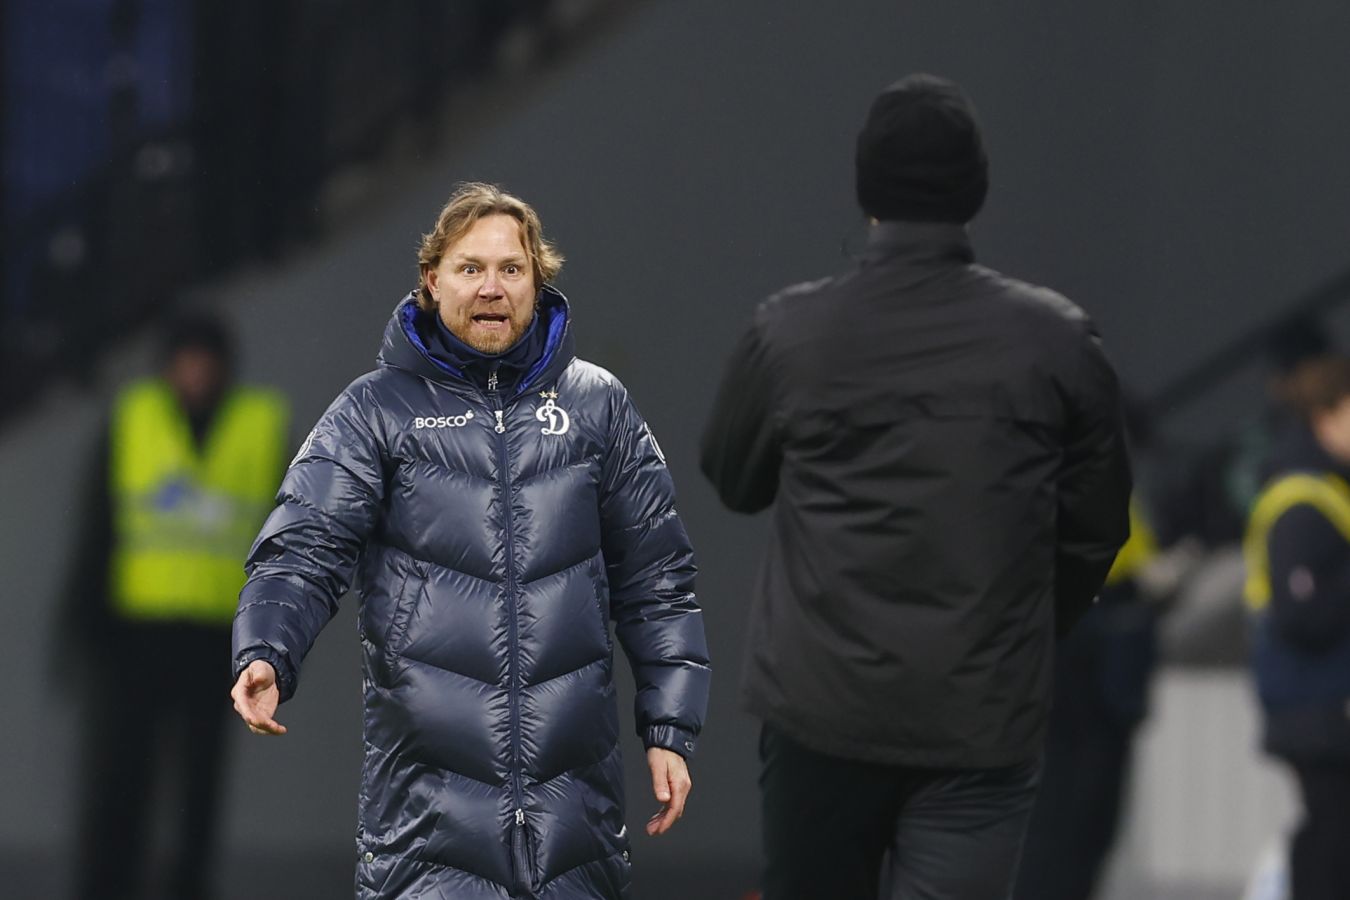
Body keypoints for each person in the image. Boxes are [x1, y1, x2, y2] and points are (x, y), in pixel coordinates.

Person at [700, 74, 1132, 900]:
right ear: (976, 190)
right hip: (980, 716)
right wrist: (1024, 629)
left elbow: (734, 476)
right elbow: (1097, 526)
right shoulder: (1058, 345)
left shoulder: (791, 333)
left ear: (865, 190)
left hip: (821, 709)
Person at [229, 182, 710, 899]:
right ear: (432, 280)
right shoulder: (374, 411)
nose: (492, 287)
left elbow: (658, 577)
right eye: (470, 268)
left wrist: (670, 727)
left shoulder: (598, 406)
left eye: (511, 269)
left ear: (537, 280)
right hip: (427, 830)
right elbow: (305, 547)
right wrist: (267, 649)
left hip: (573, 825)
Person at [60, 313, 289, 900]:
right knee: (119, 777)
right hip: (135, 632)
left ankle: (187, 887)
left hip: (217, 637)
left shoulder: (258, 425)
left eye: (205, 362)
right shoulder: (134, 418)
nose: (196, 374)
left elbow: (287, 544)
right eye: (186, 361)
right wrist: (82, 625)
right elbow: (99, 527)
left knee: (199, 784)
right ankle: (107, 886)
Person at [1244, 356, 1350, 900]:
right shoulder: (1303, 501)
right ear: (1325, 416)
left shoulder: (1329, 489)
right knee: (1331, 839)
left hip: (1322, 706)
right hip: (1318, 705)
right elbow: (1303, 614)